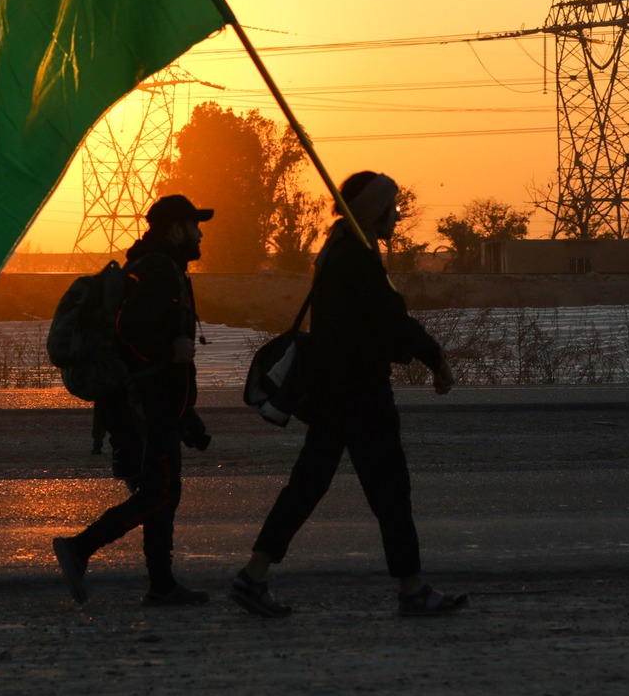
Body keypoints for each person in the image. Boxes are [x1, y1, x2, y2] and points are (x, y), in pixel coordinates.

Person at [230, 170, 468, 618]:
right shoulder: (356, 257)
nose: (397, 216)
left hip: (334, 392)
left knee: (308, 486)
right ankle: (412, 588)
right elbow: (392, 321)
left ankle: (254, 574)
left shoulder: (339, 250)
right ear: (373, 210)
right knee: (390, 491)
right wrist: (436, 357)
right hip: (360, 394)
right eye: (392, 207)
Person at [52, 193, 214, 606]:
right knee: (160, 493)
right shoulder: (159, 270)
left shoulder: (156, 266)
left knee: (160, 492)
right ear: (176, 229)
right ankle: (79, 548)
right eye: (195, 226)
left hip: (152, 404)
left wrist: (186, 413)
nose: (199, 234)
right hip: (142, 406)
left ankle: (161, 585)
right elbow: (132, 330)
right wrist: (170, 355)